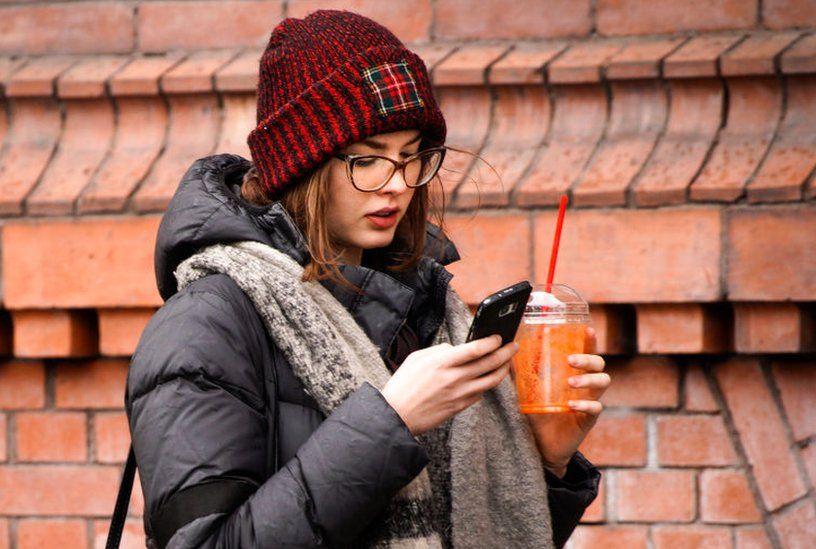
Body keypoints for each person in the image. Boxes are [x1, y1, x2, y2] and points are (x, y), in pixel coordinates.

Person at [126, 10, 608, 548]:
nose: (397, 184)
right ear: (301, 165)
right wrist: (391, 422)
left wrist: (548, 461)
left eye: (410, 156)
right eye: (367, 159)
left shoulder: (421, 310)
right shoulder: (206, 324)